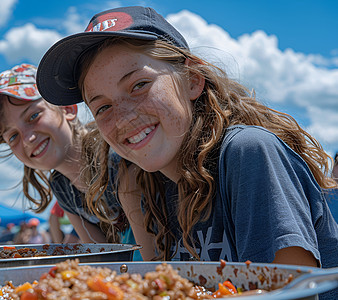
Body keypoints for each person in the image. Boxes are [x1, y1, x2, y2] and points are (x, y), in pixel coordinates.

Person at [36, 4, 338, 275]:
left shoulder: (247, 153)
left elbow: (289, 292)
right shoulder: (153, 187)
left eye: (139, 84)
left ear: (192, 80)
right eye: (102, 107)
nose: (123, 117)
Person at [0, 64, 143, 258]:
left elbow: (147, 256)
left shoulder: (114, 158)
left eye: (34, 116)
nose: (28, 139)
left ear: (67, 109)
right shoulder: (62, 186)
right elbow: (99, 255)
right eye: (13, 136)